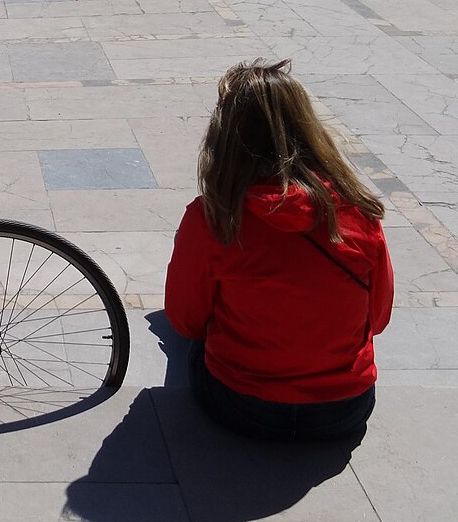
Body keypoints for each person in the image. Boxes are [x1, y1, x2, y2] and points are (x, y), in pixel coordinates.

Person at [165, 59, 392, 441]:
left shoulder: (214, 218)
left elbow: (186, 320)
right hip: (343, 408)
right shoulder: (358, 211)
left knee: (183, 339)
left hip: (242, 404)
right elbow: (379, 318)